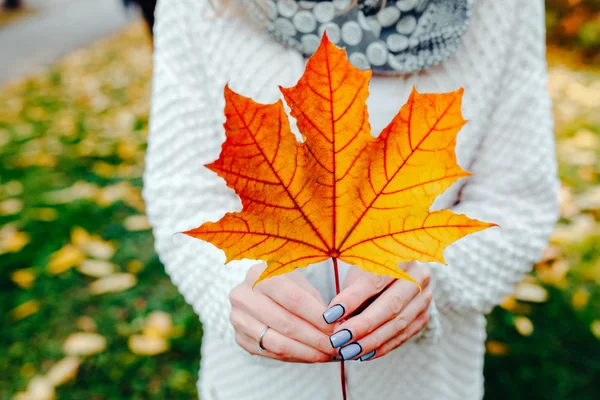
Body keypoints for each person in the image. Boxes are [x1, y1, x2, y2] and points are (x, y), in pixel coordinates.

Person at [142, 0, 559, 399]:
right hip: (254, 386)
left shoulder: (501, 6)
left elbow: (518, 203)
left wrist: (433, 282)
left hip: (428, 384)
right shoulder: (196, 4)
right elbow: (182, 194)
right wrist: (231, 288)